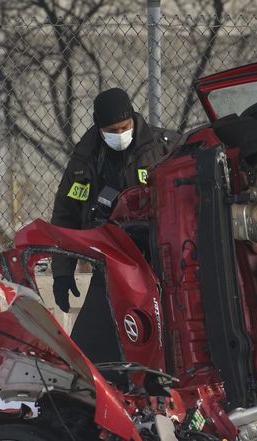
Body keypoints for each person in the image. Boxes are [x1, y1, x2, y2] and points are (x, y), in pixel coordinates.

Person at [50, 87, 175, 314]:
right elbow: (65, 216)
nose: (120, 134)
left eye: (125, 127)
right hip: (109, 263)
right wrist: (62, 272)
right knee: (91, 344)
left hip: (160, 262)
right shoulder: (84, 160)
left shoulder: (163, 149)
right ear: (99, 128)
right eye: (112, 130)